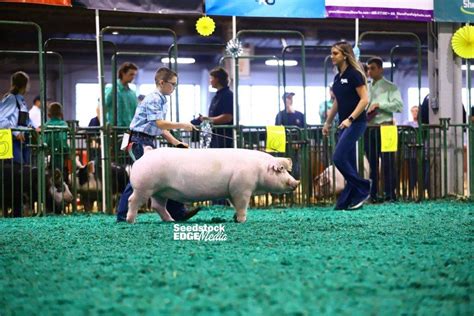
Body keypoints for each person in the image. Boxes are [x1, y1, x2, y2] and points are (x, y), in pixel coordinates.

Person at [116, 67, 199, 223]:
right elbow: (160, 123)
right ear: (162, 82)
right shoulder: (154, 98)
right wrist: (182, 125)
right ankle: (122, 215)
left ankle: (177, 212)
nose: (174, 88)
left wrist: (176, 142)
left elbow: (160, 127)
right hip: (138, 140)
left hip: (144, 139)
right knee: (140, 177)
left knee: (163, 175)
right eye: (173, 84)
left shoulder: (161, 99)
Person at [322, 41, 371, 210]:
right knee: (348, 161)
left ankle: (363, 187)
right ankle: (348, 198)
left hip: (356, 123)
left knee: (338, 157)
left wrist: (350, 119)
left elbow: (365, 100)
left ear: (345, 55)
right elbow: (337, 101)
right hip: (344, 125)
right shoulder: (338, 77)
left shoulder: (354, 74)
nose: (332, 56)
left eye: (335, 53)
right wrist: (328, 122)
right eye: (332, 53)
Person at [364, 56, 403, 203]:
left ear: (381, 69)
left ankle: (390, 194)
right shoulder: (366, 87)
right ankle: (372, 194)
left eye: (372, 68)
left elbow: (399, 106)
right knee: (372, 164)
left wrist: (380, 105)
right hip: (370, 129)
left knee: (388, 163)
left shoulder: (390, 87)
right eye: (368, 68)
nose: (369, 71)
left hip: (386, 128)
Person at [194, 67, 234, 148]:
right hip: (215, 136)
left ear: (217, 79)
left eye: (211, 78)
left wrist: (208, 119)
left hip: (224, 137)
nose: (210, 81)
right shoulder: (217, 96)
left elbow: (228, 117)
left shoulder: (228, 95)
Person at [0, 71, 31, 165]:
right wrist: (16, 133)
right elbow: (1, 119)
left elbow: (24, 120)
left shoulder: (21, 100)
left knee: (25, 169)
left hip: (24, 139)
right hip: (12, 140)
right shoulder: (11, 98)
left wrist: (32, 127)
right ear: (25, 85)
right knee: (17, 169)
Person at [105, 62, 138, 127]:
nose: (133, 77)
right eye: (131, 74)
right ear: (123, 73)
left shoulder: (132, 93)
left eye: (134, 75)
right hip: (114, 131)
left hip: (128, 131)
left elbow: (136, 113)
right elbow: (100, 108)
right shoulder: (112, 89)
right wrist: (105, 125)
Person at [44, 102, 70, 173]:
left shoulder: (46, 125)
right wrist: (67, 152)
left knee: (48, 174)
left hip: (47, 153)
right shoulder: (64, 125)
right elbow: (64, 140)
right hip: (60, 153)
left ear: (49, 115)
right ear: (61, 115)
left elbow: (44, 140)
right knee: (59, 173)